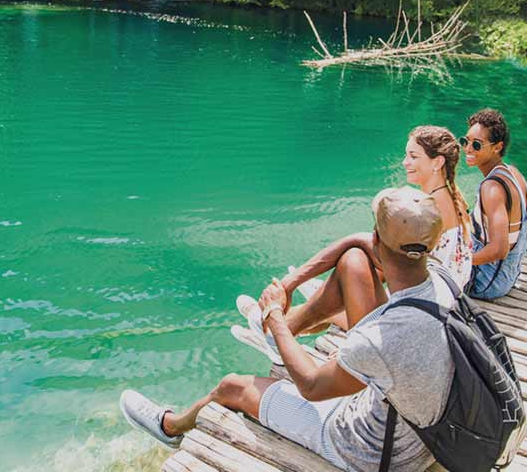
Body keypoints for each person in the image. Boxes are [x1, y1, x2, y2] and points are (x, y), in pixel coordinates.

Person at [120, 187, 455, 472]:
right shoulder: (444, 283)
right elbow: (355, 245)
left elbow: (311, 386)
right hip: (425, 435)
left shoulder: (379, 338)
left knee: (231, 387)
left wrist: (275, 314)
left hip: (375, 452)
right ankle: (275, 333)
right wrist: (292, 283)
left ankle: (170, 427)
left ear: (378, 239)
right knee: (353, 263)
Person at [278, 125, 471, 337]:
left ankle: (276, 323)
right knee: (356, 271)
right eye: (406, 155)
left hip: (425, 316)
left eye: (413, 156)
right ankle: (281, 323)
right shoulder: (452, 199)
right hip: (435, 302)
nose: (405, 162)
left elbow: (372, 248)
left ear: (438, 162)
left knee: (343, 280)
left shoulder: (433, 209)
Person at [462, 108, 527, 300]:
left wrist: (461, 262)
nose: (468, 149)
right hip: (509, 273)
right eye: (465, 141)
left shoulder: (492, 189)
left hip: (487, 282)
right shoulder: (513, 173)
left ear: (497, 147)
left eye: (476, 144)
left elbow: (499, 249)